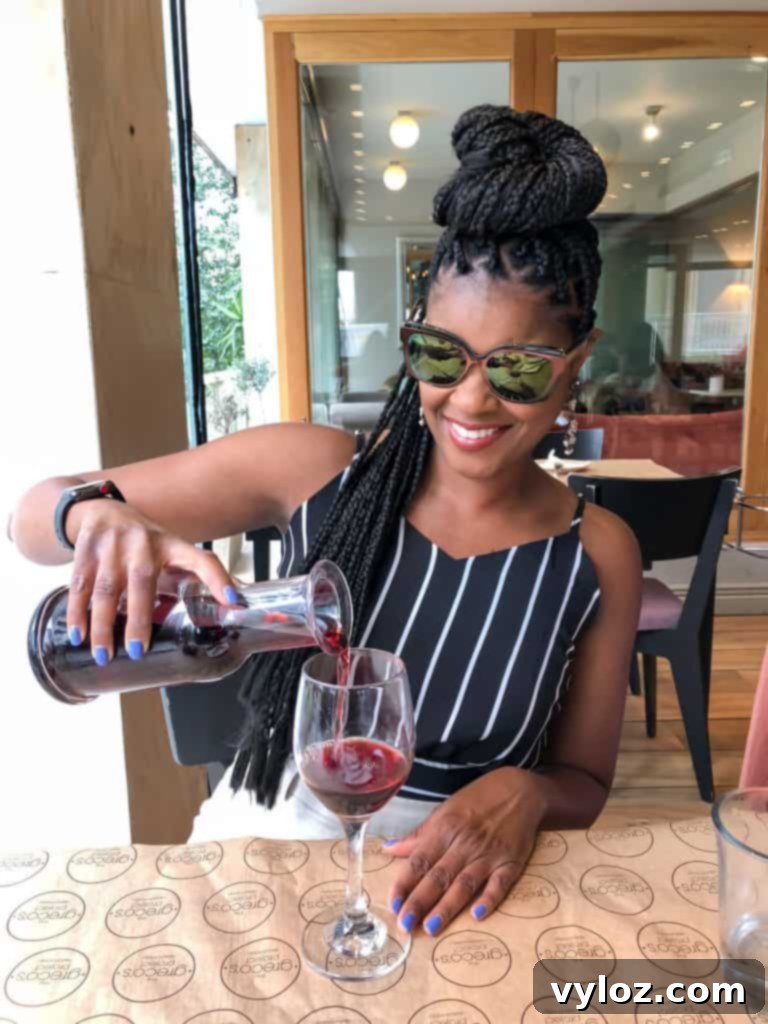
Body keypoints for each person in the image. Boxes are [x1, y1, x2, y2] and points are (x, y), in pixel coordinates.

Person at [10, 105, 641, 940]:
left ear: (577, 363)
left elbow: (585, 782)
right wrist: (94, 517)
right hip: (269, 839)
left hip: (449, 882)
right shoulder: (317, 470)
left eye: (519, 367)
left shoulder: (597, 554)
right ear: (414, 339)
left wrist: (528, 790)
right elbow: (27, 520)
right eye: (441, 356)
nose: (472, 399)